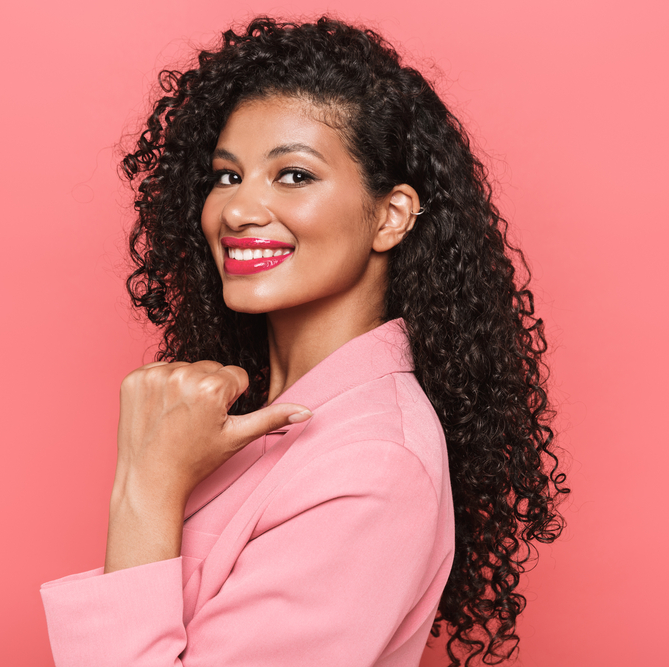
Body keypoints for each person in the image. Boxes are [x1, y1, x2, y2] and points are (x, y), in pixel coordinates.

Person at [40, 16, 567, 667]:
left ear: (391, 215)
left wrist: (145, 488)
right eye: (227, 176)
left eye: (293, 175)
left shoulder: (372, 466)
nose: (237, 209)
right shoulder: (268, 422)